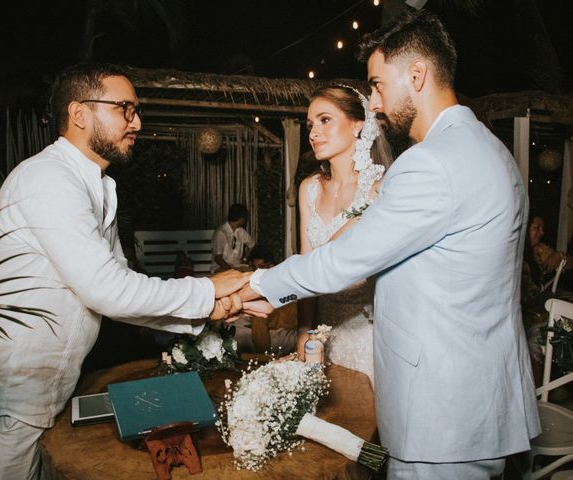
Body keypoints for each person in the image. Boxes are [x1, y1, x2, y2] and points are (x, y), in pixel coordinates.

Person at [239, 10, 540, 479]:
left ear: (416, 75)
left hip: (441, 419)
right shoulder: (491, 148)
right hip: (477, 400)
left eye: (378, 84)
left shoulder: (432, 163)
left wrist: (257, 284)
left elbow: (347, 258)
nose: (374, 102)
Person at [0, 62, 250, 480]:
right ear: (79, 113)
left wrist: (205, 311)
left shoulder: (98, 185)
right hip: (4, 395)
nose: (137, 122)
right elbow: (106, 290)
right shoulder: (48, 177)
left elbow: (119, 287)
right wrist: (208, 288)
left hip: (42, 394)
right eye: (125, 108)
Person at [295, 85, 392, 384]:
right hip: (322, 336)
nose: (313, 133)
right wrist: (304, 332)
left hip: (371, 333)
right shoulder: (308, 189)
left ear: (358, 124)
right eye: (311, 125)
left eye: (325, 120)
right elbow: (305, 267)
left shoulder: (381, 186)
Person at [210, 203, 255, 273]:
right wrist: (231, 271)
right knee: (233, 276)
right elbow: (218, 258)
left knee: (253, 272)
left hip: (237, 265)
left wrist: (245, 259)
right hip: (221, 267)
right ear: (241, 218)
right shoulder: (221, 232)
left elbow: (252, 245)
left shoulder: (241, 231)